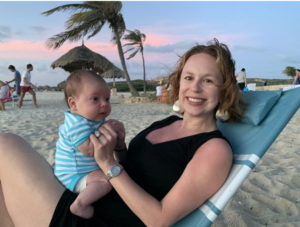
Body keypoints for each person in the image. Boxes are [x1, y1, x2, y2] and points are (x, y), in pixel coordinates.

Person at [0, 38, 245, 227]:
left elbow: (158, 220)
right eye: (189, 77)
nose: (195, 87)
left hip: (98, 221)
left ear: (225, 90)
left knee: (6, 144)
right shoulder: (167, 122)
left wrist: (107, 163)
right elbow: (134, 168)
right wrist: (119, 148)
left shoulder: (214, 149)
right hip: (86, 200)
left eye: (209, 81)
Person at [55, 70, 113, 218]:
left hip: (85, 170)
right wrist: (107, 136)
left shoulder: (92, 119)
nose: (104, 104)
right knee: (109, 180)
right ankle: (80, 204)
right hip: (74, 175)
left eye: (107, 99)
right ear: (73, 104)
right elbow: (89, 150)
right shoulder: (77, 125)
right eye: (95, 99)